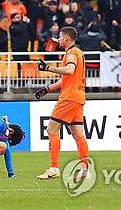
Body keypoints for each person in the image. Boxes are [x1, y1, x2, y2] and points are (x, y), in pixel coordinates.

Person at [34, 26, 89, 180]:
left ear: (66, 38)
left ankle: (53, 168)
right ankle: (85, 169)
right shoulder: (78, 53)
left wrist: (48, 68)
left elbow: (70, 70)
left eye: (60, 36)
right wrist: (48, 88)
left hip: (69, 98)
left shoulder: (71, 53)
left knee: (52, 129)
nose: (58, 39)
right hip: (78, 97)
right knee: (78, 134)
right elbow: (68, 78)